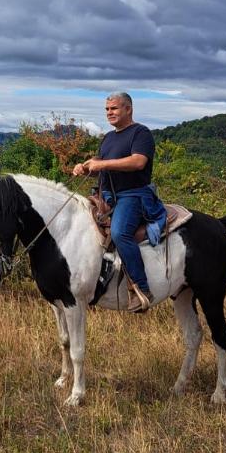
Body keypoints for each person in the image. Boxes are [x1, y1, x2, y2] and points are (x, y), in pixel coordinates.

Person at [71, 92, 166, 312]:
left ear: (128, 109)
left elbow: (138, 162)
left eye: (114, 108)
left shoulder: (140, 133)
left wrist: (101, 164)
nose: (109, 113)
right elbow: (102, 168)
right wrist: (86, 168)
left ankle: (141, 290)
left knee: (119, 232)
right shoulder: (108, 138)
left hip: (133, 195)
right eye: (107, 109)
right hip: (108, 197)